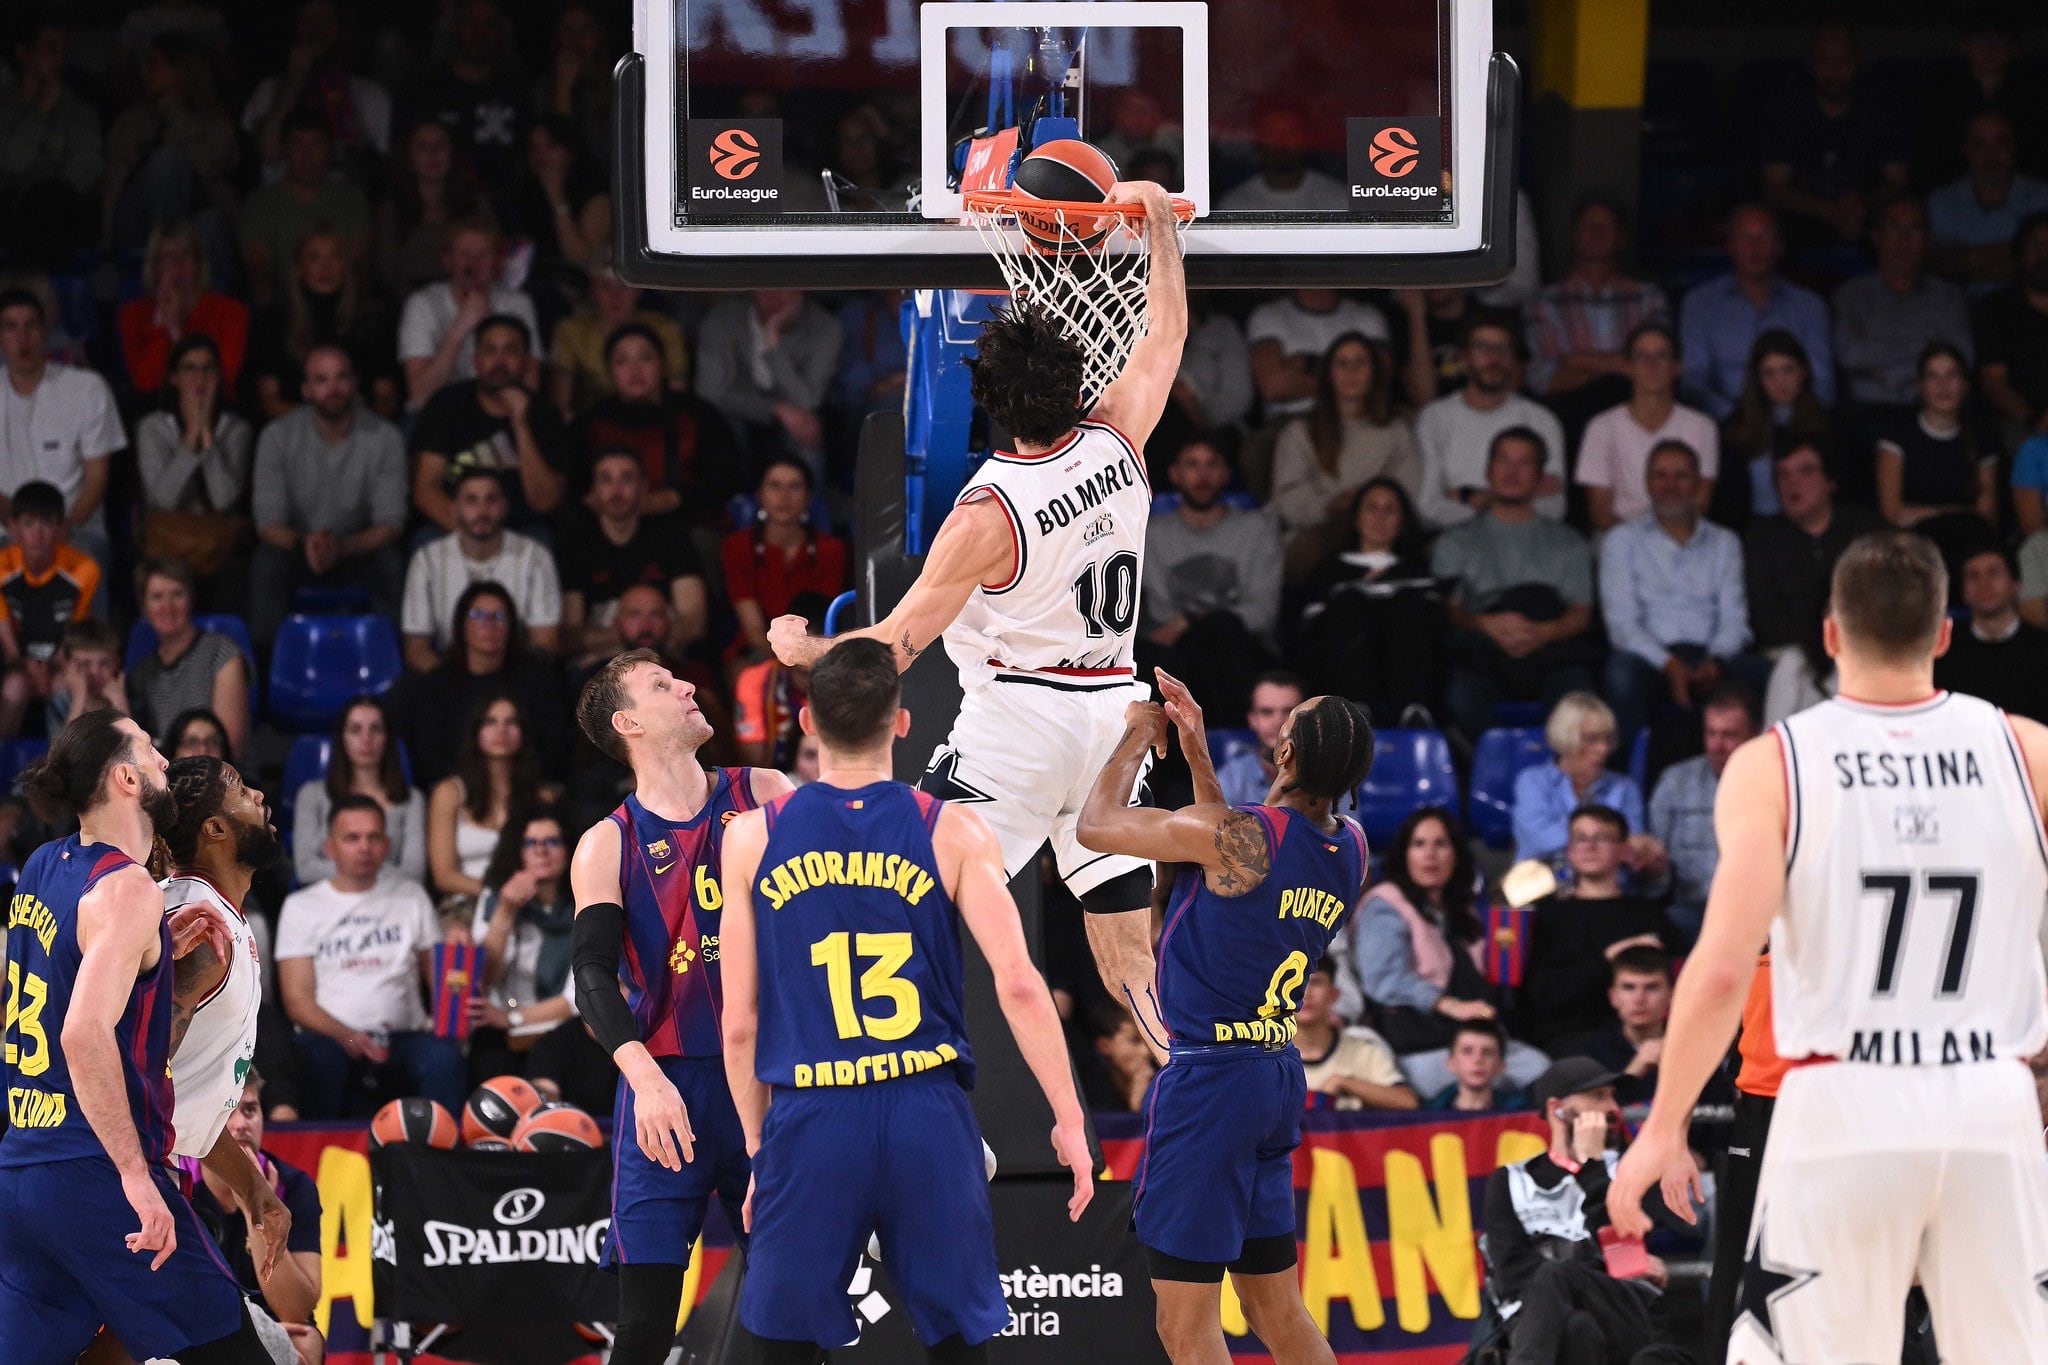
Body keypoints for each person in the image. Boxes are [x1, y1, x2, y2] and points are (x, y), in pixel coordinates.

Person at [767, 181, 1188, 1061]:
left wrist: (800, 645)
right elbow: (1165, 335)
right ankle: (1179, 1057)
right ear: (1078, 386)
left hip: (1023, 723)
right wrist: (1153, 224)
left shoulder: (985, 513)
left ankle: (911, 1074)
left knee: (916, 896)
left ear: (991, 405)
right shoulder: (1119, 436)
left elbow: (893, 644)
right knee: (1128, 950)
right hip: (1118, 713)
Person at [1612, 531, 2048, 1362]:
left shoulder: (1774, 764)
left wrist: (1664, 1126)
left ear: (1832, 634)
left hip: (1845, 1099)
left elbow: (1722, 967)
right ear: (1944, 633)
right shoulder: (2028, 751)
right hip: (1991, 1098)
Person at [716, 639, 1089, 1360]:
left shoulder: (752, 838)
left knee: (782, 1345)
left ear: (807, 721)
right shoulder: (951, 828)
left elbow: (740, 1023)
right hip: (926, 1105)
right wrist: (1068, 1117)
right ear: (903, 721)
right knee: (956, 1343)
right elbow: (1018, 981)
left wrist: (762, 1153)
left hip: (814, 1108)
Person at [1073, 670, 1369, 1365]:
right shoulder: (1349, 846)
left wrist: (1136, 740)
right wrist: (1198, 753)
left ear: (1286, 753)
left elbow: (1095, 826)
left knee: (1185, 1325)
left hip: (1210, 1084)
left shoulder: (1241, 836)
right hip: (1273, 1073)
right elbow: (1230, 867)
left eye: (1287, 721)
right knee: (1275, 1309)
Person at [0, 710, 277, 1363]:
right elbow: (83, 1033)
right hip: (93, 1173)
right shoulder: (130, 891)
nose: (164, 760)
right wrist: (136, 1173)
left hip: (23, 1162)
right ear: (126, 777)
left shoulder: (43, 864)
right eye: (151, 750)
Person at [566, 649, 792, 1365]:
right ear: (627, 721)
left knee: (797, 1316)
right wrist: (646, 1078)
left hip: (771, 1080)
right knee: (643, 1332)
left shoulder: (765, 791)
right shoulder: (609, 841)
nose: (691, 684)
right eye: (663, 684)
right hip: (668, 1092)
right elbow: (592, 976)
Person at [274, 796, 466, 1119]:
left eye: (374, 837)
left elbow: (440, 980)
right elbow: (297, 1000)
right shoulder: (301, 906)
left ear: (387, 845)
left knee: (445, 1058)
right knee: (313, 1059)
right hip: (332, 1039)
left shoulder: (411, 897)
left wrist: (458, 957)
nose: (364, 847)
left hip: (405, 1038)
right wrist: (346, 1036)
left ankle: (444, 1165)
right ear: (330, 847)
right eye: (352, 838)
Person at [1482, 1059, 1674, 1365]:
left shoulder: (1628, 1172)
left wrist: (1593, 1166)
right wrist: (1587, 1265)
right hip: (1537, 1321)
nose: (1612, 1108)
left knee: (1555, 1273)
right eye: (1598, 1097)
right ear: (1558, 1109)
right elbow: (1511, 1274)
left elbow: (1626, 1262)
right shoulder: (1510, 1181)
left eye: (1613, 1096)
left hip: (1620, 1312)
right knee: (1577, 1327)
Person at [1434, 428, 1600, 740]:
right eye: (1503, 461)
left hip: (1551, 653)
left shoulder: (1569, 542)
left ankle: (1551, 779)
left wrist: (1542, 633)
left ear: (1540, 477)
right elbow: (1448, 612)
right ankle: (1500, 774)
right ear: (1487, 471)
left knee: (1578, 702)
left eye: (1524, 463)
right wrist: (1484, 623)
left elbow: (1581, 613)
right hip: (1481, 653)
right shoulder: (1455, 540)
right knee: (1457, 695)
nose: (1511, 472)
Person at [159, 754, 281, 1173]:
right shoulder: (200, 932)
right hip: (131, 1170)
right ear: (215, 829)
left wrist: (255, 1193)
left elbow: (188, 1109)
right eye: (243, 792)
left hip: (161, 1163)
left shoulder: (207, 908)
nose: (259, 795)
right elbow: (134, 1075)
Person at [1599, 440, 1753, 756]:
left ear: (1698, 482)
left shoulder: (1724, 542)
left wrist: (1716, 661)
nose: (1670, 485)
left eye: (1681, 476)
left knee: (1765, 674)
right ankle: (1635, 778)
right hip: (1649, 658)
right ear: (1647, 482)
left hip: (1711, 653)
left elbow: (1734, 618)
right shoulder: (1621, 540)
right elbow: (1622, 626)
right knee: (1620, 675)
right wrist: (1670, 665)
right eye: (1661, 475)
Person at [250, 345, 409, 643]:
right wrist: (304, 543)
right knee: (266, 564)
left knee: (391, 563)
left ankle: (393, 670)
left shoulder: (386, 437)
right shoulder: (276, 436)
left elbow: (392, 524)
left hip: (359, 549)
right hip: (299, 550)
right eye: (321, 380)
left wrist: (343, 547)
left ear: (354, 384)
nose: (333, 388)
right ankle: (267, 669)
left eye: (341, 377)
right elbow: (267, 524)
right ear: (306, 390)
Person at [464, 804, 612, 1112]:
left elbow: (578, 996)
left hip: (566, 1028)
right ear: (517, 851)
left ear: (570, 848)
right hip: (503, 1031)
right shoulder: (495, 899)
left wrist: (512, 1018)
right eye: (531, 843)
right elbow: (482, 977)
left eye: (552, 842)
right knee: (487, 1054)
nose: (542, 851)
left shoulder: (588, 900)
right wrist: (505, 912)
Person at [1141, 436, 1284, 717]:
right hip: (1176, 654)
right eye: (1192, 464)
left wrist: (1192, 619)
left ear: (1226, 474)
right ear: (1174, 474)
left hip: (1243, 649)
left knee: (1222, 630)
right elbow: (1158, 617)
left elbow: (1261, 615)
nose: (1202, 475)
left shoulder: (1258, 529)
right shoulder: (1151, 534)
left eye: (1212, 464)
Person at [1520, 805, 1679, 1048]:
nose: (1589, 846)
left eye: (1601, 838)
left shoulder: (1649, 917)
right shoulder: (1545, 915)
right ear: (1569, 849)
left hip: (1639, 1041)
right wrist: (1609, 959)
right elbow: (1541, 997)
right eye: (1580, 838)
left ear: (1624, 850)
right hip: (1565, 1040)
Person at [388, 580, 567, 791]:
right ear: (461, 625)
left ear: (512, 627)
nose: (489, 624)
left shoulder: (538, 679)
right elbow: (430, 759)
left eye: (499, 616)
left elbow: (554, 749)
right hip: (457, 793)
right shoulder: (435, 686)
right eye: (478, 616)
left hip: (524, 789)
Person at [1267, 333, 1421, 576]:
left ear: (1374, 372)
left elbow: (1408, 491)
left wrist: (1368, 504)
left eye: (1360, 363)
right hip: (1319, 532)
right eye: (1342, 363)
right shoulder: (1300, 433)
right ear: (1328, 373)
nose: (1352, 372)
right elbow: (1286, 498)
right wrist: (1330, 505)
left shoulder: (1396, 432)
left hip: (1382, 533)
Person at [1290, 478, 1442, 721]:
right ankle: (1354, 713)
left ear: (1402, 521)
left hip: (1406, 678)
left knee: (1407, 607)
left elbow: (1434, 631)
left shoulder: (1417, 571)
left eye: (1389, 509)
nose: (1379, 517)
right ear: (1356, 518)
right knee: (1351, 604)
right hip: (1341, 676)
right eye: (1372, 508)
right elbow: (1309, 632)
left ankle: (1413, 714)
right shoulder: (1330, 571)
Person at [570, 322, 741, 538]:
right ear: (610, 372)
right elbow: (574, 489)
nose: (635, 370)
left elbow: (726, 478)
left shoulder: (698, 414)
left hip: (686, 525)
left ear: (663, 366)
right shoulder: (590, 422)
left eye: (646, 358)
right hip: (611, 528)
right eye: (622, 361)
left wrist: (672, 499)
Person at [185, 1070, 323, 1331]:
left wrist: (255, 1210)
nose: (240, 1124)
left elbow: (295, 1311)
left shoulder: (294, 1186)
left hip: (273, 1324)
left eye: (249, 1110)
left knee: (307, 1342)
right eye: (227, 1111)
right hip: (203, 1327)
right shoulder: (176, 1181)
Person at [408, 313, 568, 536]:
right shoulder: (447, 404)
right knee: (425, 540)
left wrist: (521, 423)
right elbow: (425, 489)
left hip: (521, 532)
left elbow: (545, 502)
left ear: (527, 361)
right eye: (490, 351)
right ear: (476, 361)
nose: (499, 361)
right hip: (454, 527)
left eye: (511, 351)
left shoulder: (544, 414)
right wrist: (478, 539)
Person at [0, 287, 123, 564]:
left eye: (31, 326)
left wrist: (63, 528)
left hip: (75, 529)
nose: (23, 338)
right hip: (6, 532)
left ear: (45, 331)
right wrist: (18, 526)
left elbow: (96, 478)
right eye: (11, 327)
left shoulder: (87, 388)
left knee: (84, 559)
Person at [1758, 23, 1908, 246]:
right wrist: (1828, 212)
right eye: (1825, 62)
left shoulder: (1881, 109)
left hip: (1864, 222)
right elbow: (1774, 189)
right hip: (1799, 227)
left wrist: (1861, 204)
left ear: (1857, 62)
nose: (1834, 71)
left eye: (1843, 61)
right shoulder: (1787, 110)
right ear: (1811, 64)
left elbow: (1898, 181)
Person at [1679, 205, 1836, 419]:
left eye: (1764, 237)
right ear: (1730, 246)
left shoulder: (1810, 306)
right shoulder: (1700, 303)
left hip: (1795, 422)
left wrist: (1786, 417)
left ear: (1779, 247)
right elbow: (1693, 381)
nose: (1755, 246)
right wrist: (1736, 418)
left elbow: (1823, 382)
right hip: (1724, 424)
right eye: (1746, 238)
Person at [1413, 311, 1568, 528]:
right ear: (1463, 357)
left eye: (1503, 349)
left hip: (1524, 541)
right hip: (1456, 542)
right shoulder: (1434, 418)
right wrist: (1509, 503)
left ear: (1513, 358)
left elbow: (1554, 506)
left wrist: (1473, 498)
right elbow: (1426, 508)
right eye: (1482, 348)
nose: (1494, 358)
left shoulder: (1541, 420)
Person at [557, 448, 707, 668]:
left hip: (666, 657)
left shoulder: (671, 536)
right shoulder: (575, 544)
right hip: (599, 665)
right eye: (606, 480)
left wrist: (641, 641)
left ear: (644, 487)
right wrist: (627, 640)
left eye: (626, 479)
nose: (616, 491)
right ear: (593, 490)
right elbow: (570, 634)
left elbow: (695, 622)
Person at [399, 467, 561, 671]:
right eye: (471, 500)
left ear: (504, 507)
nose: (482, 510)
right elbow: (416, 649)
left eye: (491, 499)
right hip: (449, 673)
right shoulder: (426, 560)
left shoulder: (536, 557)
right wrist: (450, 685)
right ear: (454, 508)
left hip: (515, 673)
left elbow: (545, 643)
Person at [1744, 441, 1885, 657]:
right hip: (1789, 652)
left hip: (1862, 647)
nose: (1792, 483)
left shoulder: (1866, 529)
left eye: (1806, 471)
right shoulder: (1762, 538)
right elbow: (1764, 622)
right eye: (1783, 474)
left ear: (1830, 481)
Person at [135, 334, 253, 588]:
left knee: (236, 572)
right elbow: (162, 500)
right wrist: (190, 436)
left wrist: (207, 435)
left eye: (208, 368)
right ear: (174, 378)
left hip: (219, 542)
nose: (200, 378)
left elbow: (223, 500)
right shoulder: (152, 428)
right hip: (167, 538)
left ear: (219, 375)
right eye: (189, 368)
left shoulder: (236, 429)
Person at [1526, 197, 1671, 403]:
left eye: (1606, 226)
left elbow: (1656, 367)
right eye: (1588, 225)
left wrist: (1575, 361)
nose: (1596, 232)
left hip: (1637, 411)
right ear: (1573, 233)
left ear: (1622, 236)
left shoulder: (1649, 298)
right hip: (1570, 414)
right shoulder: (1545, 302)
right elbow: (1544, 379)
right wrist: (1622, 367)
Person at [245, 227, 398, 422]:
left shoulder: (371, 320)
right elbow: (269, 401)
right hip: (294, 432)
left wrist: (348, 425)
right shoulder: (274, 320)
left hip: (359, 433)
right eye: (315, 258)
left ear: (346, 266)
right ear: (299, 268)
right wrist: (324, 423)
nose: (326, 267)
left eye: (335, 257)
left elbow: (387, 398)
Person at [1577, 322, 1719, 530]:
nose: (1651, 365)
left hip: (1681, 536)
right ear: (1627, 367)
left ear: (1677, 366)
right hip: (1620, 540)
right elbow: (1600, 513)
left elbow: (1700, 503)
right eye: (1642, 356)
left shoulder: (1702, 427)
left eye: (1661, 356)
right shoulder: (1601, 427)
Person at [1835, 196, 1975, 408]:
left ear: (1928, 239)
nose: (1904, 239)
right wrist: (1927, 347)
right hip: (1868, 413)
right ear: (1876, 236)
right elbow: (1850, 354)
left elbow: (1962, 359)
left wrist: (1888, 373)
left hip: (1932, 411)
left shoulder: (1949, 297)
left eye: (1914, 229)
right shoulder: (1850, 295)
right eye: (1894, 228)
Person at [1647, 683, 1761, 941]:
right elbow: (1656, 880)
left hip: (1756, 910)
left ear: (1754, 734)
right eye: (1710, 734)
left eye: (1729, 735)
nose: (1716, 745)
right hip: (1693, 907)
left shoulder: (1776, 782)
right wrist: (1653, 867)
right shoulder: (1675, 781)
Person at [396, 219, 540, 412]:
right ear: (448, 261)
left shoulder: (517, 304)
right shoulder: (423, 304)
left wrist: (493, 323)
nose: (474, 264)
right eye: (465, 255)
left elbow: (529, 385)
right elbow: (421, 396)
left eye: (484, 255)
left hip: (500, 412)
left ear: (496, 261)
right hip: (440, 415)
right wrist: (459, 329)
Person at [1874, 344, 1997, 565]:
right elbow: (1893, 512)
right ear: (1920, 386)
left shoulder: (1982, 438)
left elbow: (1986, 517)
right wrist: (1955, 512)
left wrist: (1928, 513)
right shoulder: (1897, 434)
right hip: (1911, 547)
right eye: (1933, 376)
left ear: (1966, 385)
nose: (1943, 385)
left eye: (1952, 375)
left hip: (1965, 547)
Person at [694, 290, 843, 470]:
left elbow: (808, 401)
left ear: (803, 291)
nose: (774, 295)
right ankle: (734, 498)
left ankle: (805, 498)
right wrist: (773, 408)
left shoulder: (825, 328)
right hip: (736, 411)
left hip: (794, 415)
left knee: (806, 433)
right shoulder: (722, 320)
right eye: (766, 286)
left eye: (785, 287)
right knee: (716, 429)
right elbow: (708, 392)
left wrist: (773, 339)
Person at [721, 456, 848, 665]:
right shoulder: (737, 547)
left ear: (808, 497)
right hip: (758, 650)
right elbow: (753, 630)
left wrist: (803, 658)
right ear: (759, 495)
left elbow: (823, 621)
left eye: (794, 487)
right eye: (774, 486)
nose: (784, 496)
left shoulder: (831, 549)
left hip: (813, 649)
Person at [0, 15, 103, 271]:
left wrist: (48, 190)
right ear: (24, 52)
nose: (59, 58)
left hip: (60, 211)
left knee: (49, 206)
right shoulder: (5, 108)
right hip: (9, 209)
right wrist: (40, 114)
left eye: (63, 50)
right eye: (50, 48)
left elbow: (86, 171)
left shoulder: (80, 112)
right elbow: (11, 163)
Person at [238, 112, 372, 307]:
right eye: (297, 144)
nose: (307, 155)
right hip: (284, 312)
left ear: (329, 149)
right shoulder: (261, 204)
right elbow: (260, 277)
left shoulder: (351, 200)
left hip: (343, 311)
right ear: (285, 149)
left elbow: (359, 271)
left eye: (316, 144)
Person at [0, 481, 101, 737]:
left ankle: (59, 768)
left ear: (62, 528)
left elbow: (75, 634)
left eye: (47, 523)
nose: (38, 533)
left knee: (64, 685)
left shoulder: (84, 569)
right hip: (13, 662)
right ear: (13, 527)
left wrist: (54, 665)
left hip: (60, 661)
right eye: (29, 523)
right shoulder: (1, 565)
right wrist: (23, 665)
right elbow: (6, 640)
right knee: (14, 687)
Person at [292, 696, 426, 886]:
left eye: (376, 729)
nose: (366, 739)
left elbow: (414, 874)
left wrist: (352, 868)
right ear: (342, 738)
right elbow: (306, 869)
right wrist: (368, 869)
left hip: (391, 901)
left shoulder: (411, 799)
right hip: (328, 902)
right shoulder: (311, 795)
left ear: (388, 738)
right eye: (355, 730)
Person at [1711, 329, 1836, 529]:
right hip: (1755, 530)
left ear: (1804, 372)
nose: (1780, 382)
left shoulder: (1829, 424)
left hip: (1816, 527)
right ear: (1757, 379)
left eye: (1788, 370)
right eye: (1769, 373)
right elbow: (1729, 500)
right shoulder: (1736, 428)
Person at [426, 692, 544, 901]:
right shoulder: (449, 793)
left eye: (511, 722)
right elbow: (443, 876)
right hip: (464, 908)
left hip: (530, 905)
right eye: (490, 722)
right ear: (476, 731)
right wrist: (500, 896)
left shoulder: (540, 796)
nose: (501, 730)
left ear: (523, 732)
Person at [128, 558, 250, 756]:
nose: (168, 606)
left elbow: (228, 745)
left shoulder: (222, 653)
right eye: (157, 597)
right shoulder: (141, 673)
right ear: (144, 608)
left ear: (191, 599)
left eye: (177, 594)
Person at [1510, 693, 1650, 864]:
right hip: (1542, 884)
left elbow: (1632, 849)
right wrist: (1607, 841)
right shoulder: (1532, 782)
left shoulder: (1626, 787)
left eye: (1608, 739)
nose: (1604, 749)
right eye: (1591, 739)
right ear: (1565, 740)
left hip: (1605, 886)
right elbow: (1541, 841)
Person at [116, 219, 248, 399]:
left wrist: (177, 331)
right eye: (168, 258)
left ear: (200, 264)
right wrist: (162, 326)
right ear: (154, 267)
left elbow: (221, 385)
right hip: (155, 415)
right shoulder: (133, 314)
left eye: (186, 256)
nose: (178, 266)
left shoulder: (231, 313)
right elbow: (146, 385)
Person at [1929, 110, 2048, 296]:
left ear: (2014, 147)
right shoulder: (1941, 203)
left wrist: (1966, 261)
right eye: (1978, 144)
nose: (1990, 154)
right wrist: (2013, 251)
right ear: (1965, 150)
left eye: (2001, 142)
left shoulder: (2042, 198)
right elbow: (1935, 266)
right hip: (1957, 314)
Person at [550, 264, 691, 415]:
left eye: (624, 286)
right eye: (605, 286)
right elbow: (561, 406)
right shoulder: (571, 331)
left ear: (639, 289)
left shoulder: (666, 330)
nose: (615, 296)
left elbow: (678, 399)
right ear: (593, 290)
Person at [1551, 947, 1679, 1106]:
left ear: (1671, 996)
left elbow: (1715, 1114)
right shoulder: (1587, 1053)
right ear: (1613, 997)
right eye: (1629, 988)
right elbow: (1581, 1114)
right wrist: (1633, 1073)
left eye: (1651, 987)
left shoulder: (1693, 1047)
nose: (1639, 999)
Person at [1934, 544, 2048, 723]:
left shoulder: (2042, 648)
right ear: (1963, 591)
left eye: (1994, 572)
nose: (1984, 584)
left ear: (2016, 584)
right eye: (1973, 576)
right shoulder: (1945, 651)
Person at [374, 119, 486, 299]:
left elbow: (493, 257)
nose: (432, 154)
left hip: (469, 297)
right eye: (422, 147)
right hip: (409, 305)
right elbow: (387, 274)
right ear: (409, 157)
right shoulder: (391, 211)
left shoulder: (474, 205)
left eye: (440, 146)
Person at [1244, 289, 1391, 425]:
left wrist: (1308, 365)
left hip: (1355, 420)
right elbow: (1273, 386)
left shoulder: (1367, 316)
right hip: (1291, 422)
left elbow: (1379, 379)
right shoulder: (1268, 315)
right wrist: (1351, 380)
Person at [1294, 959, 1417, 1112]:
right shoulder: (1264, 1057)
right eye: (1295, 982)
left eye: (1316, 982)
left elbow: (1407, 1101)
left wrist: (1343, 1083)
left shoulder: (1364, 1051)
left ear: (1334, 995)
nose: (1306, 993)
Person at [1976, 210, 2048, 442]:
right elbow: (1993, 382)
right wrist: (2034, 419)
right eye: (2035, 245)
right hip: (2020, 423)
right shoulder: (1997, 309)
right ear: (2020, 253)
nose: (2044, 254)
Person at [1214, 672, 1306, 807]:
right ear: (1252, 719)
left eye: (1289, 712)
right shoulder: (1230, 778)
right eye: (1267, 712)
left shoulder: (1330, 776)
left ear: (1307, 718)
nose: (1278, 722)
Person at [1425, 1019, 1525, 1111]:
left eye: (1487, 1052)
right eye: (1467, 1051)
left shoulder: (1521, 1114)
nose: (1477, 1059)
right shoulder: (1429, 1116)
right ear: (1451, 1063)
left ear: (1501, 1065)